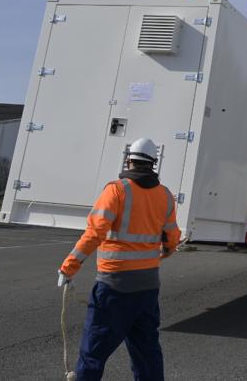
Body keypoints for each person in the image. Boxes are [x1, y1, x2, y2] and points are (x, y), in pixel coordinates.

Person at [57, 137, 181, 381]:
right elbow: (172, 236)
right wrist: (168, 249)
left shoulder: (116, 189)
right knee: (147, 353)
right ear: (154, 163)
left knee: (93, 353)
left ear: (129, 159)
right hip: (147, 288)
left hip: (114, 286)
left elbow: (95, 232)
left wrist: (68, 267)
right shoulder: (165, 196)